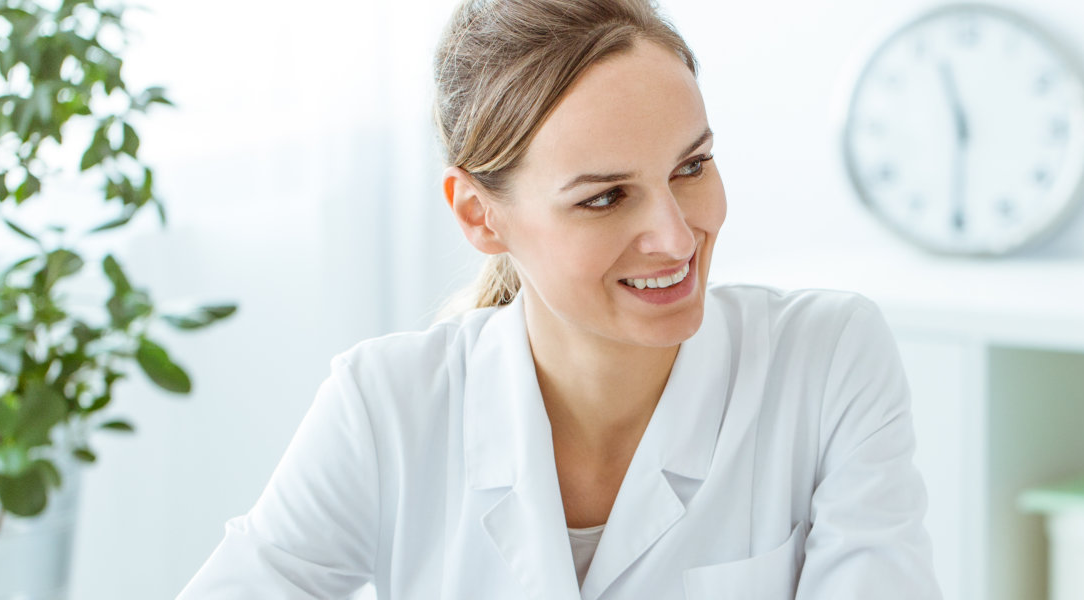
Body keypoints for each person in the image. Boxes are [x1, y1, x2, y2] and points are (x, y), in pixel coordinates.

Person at [180, 1, 939, 597]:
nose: (676, 239)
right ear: (480, 215)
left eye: (691, 166)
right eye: (606, 198)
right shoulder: (386, 408)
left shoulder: (827, 358)